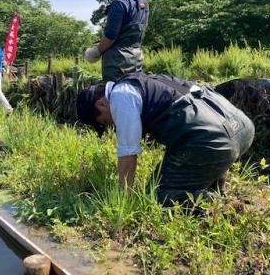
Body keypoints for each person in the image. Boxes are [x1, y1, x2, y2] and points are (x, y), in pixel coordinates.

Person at [76, 71, 255, 206]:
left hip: (212, 140)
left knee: (156, 194)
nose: (111, 124)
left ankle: (218, 205)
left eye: (105, 121)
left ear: (101, 103)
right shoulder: (140, 81)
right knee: (194, 166)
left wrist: (123, 198)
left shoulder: (120, 96)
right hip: (240, 127)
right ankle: (213, 190)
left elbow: (128, 154)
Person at [84, 0, 149, 82]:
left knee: (115, 97)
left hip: (117, 64)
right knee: (134, 95)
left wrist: (96, 51)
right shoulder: (142, 1)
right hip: (136, 59)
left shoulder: (119, 1)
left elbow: (110, 37)